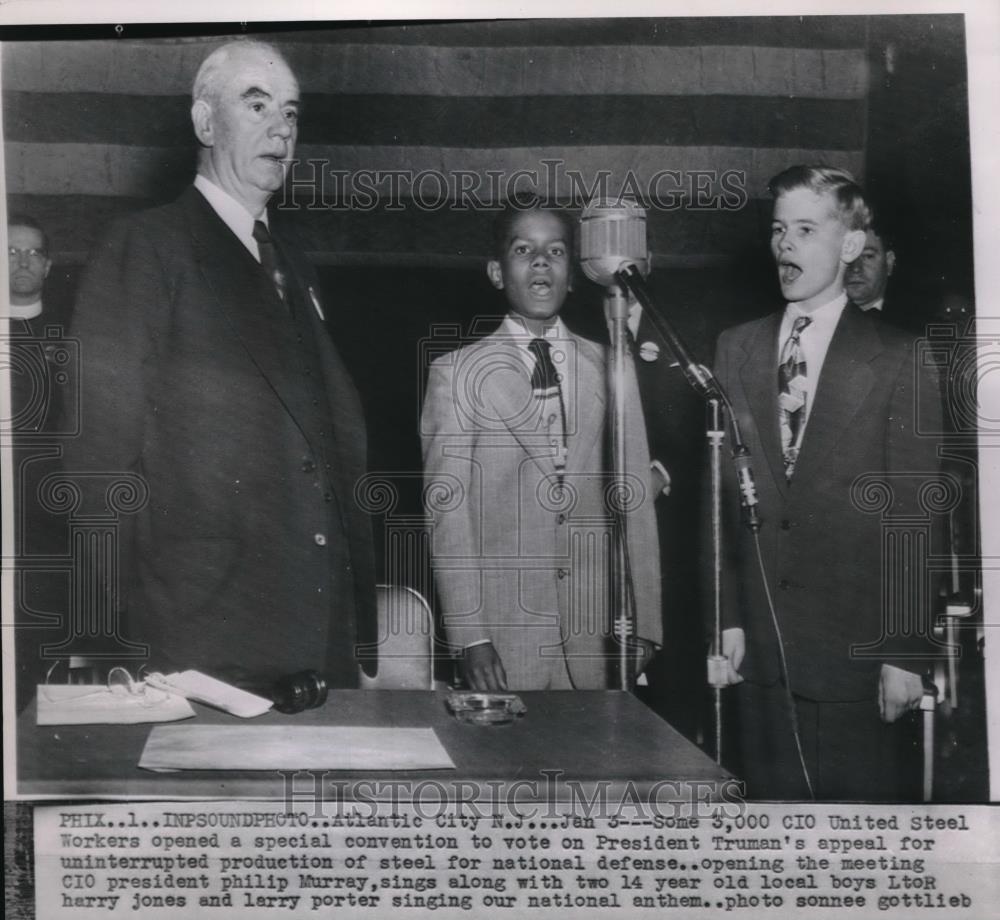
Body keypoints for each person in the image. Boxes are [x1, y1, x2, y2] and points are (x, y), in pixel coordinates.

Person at [61, 40, 377, 690]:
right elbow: (97, 467)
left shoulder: (294, 265)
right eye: (256, 105)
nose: (281, 130)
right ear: (205, 124)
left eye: (290, 113)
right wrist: (113, 646)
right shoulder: (146, 249)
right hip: (199, 644)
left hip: (317, 641)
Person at [712, 166, 943, 800]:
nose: (785, 244)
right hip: (754, 654)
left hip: (854, 661)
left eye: (806, 229)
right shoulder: (735, 348)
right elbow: (724, 501)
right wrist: (726, 618)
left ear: (848, 246)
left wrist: (903, 653)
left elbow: (914, 519)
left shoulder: (901, 357)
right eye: (779, 229)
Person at [421, 201, 661, 690]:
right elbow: (448, 515)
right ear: (496, 271)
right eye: (522, 250)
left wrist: (647, 626)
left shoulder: (612, 366)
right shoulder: (456, 373)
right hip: (505, 640)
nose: (540, 261)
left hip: (599, 638)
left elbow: (635, 500)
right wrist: (470, 636)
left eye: (555, 251)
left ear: (572, 274)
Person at [845, 221, 896, 314]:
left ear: (889, 263)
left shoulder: (916, 322)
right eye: (849, 255)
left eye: (868, 256)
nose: (855, 268)